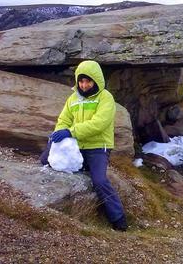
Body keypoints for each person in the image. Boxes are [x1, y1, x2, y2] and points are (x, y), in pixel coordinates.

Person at [40, 60, 127, 231]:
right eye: (81, 81)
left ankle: (118, 218)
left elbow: (99, 124)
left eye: (88, 81)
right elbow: (63, 120)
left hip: (97, 147)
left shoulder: (105, 98)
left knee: (99, 180)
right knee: (45, 160)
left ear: (96, 80)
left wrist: (71, 132)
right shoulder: (73, 98)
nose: (84, 85)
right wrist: (60, 135)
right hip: (77, 146)